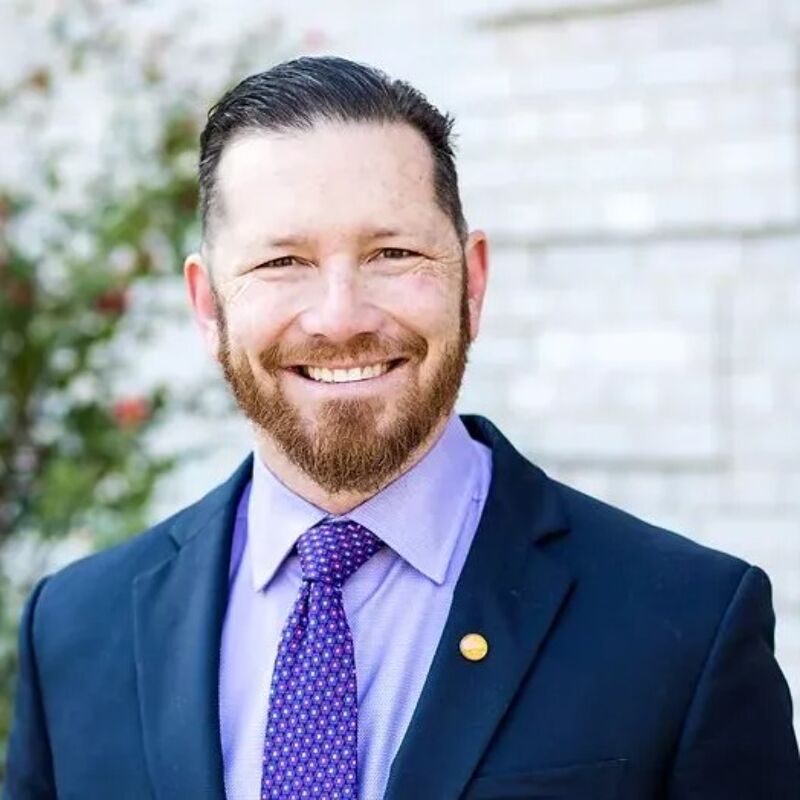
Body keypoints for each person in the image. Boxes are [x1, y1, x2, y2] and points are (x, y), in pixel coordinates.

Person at [4, 56, 799, 800]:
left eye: (392, 252)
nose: (341, 316)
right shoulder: (75, 629)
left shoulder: (686, 625)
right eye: (282, 262)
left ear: (472, 282)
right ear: (208, 305)